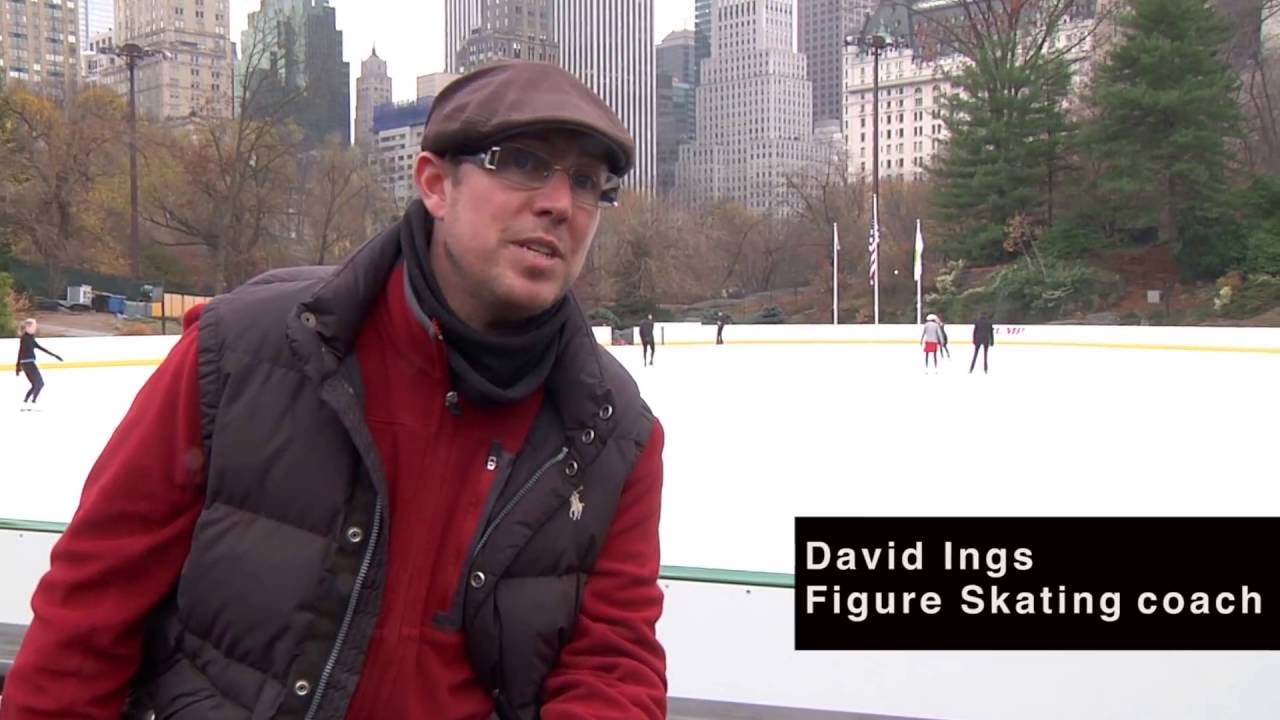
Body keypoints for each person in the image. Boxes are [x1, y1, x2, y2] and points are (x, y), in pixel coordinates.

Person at [1, 60, 667, 720]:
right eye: (521, 162)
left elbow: (613, 666)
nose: (560, 203)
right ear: (435, 184)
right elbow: (88, 614)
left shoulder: (614, 433)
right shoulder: (239, 350)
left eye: (588, 182)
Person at [14, 318, 63, 408]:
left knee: (37, 384)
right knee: (39, 384)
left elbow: (41, 348)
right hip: (28, 364)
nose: (35, 328)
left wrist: (55, 356)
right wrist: (17, 367)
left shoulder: (30, 338)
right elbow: (20, 352)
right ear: (28, 327)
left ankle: (27, 401)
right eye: (34, 326)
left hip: (28, 363)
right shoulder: (25, 338)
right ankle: (32, 402)